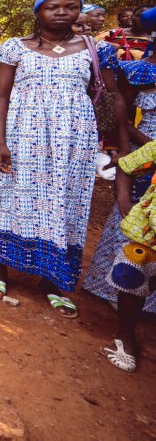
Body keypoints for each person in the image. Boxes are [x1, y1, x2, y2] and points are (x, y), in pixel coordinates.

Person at [0, 0, 122, 318]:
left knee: (62, 201)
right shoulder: (14, 48)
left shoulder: (97, 49)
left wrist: (120, 144)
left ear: (79, 11)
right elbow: (0, 96)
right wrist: (0, 141)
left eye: (70, 6)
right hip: (22, 136)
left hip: (73, 141)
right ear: (38, 12)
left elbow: (113, 96)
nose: (61, 12)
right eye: (52, 7)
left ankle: (50, 280)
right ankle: (1, 267)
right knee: (12, 195)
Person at [82, 46, 156, 316]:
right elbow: (120, 114)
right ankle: (114, 287)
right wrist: (148, 147)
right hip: (144, 148)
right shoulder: (138, 71)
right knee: (133, 213)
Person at [98, 139, 156, 373]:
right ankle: (126, 337)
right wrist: (123, 199)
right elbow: (127, 165)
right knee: (134, 279)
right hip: (150, 233)